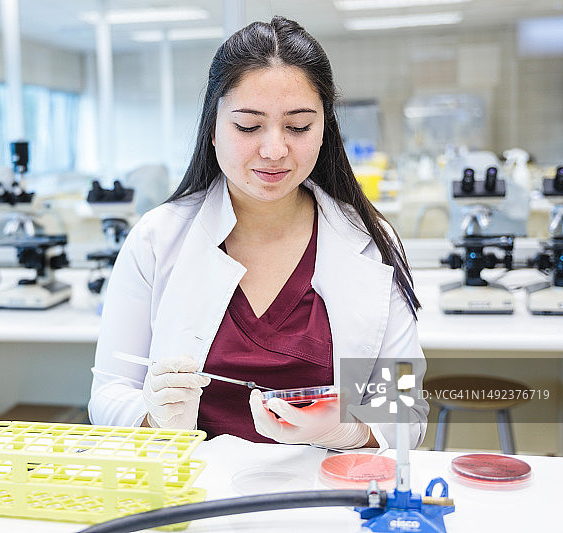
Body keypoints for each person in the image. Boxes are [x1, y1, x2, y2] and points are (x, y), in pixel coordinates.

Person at [88, 16, 428, 449]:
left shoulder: (369, 241)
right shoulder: (158, 239)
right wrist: (152, 419)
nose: (274, 150)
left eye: (299, 126)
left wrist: (349, 430)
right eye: (248, 126)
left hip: (323, 497)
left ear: (325, 129)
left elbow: (404, 413)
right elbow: (108, 394)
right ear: (212, 128)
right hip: (192, 498)